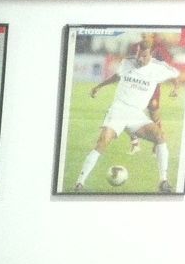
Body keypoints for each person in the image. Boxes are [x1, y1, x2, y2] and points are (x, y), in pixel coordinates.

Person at [73, 38, 179, 193]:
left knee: (160, 136)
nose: (140, 59)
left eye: (144, 56)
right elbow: (117, 76)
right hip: (119, 110)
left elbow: (174, 76)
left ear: (151, 54)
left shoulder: (159, 68)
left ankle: (163, 181)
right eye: (138, 55)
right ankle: (79, 183)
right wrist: (99, 86)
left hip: (136, 115)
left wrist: (175, 88)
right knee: (103, 141)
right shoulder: (127, 62)